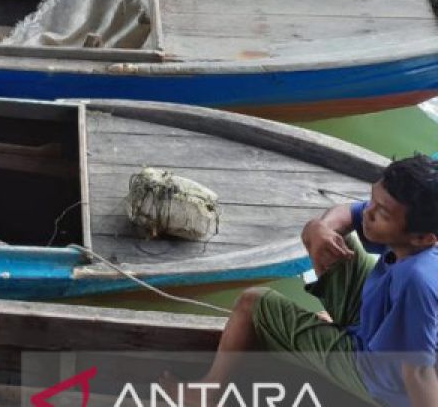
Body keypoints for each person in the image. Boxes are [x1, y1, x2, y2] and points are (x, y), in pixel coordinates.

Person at [169, 154, 438, 407]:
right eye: (372, 200)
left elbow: (418, 373)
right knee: (333, 240)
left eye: (382, 214)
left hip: (379, 376)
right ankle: (345, 324)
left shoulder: (418, 280)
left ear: (423, 237)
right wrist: (319, 229)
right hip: (378, 327)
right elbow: (347, 214)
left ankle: (206, 394)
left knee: (252, 303)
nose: (368, 213)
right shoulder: (418, 242)